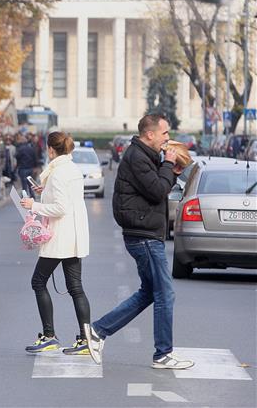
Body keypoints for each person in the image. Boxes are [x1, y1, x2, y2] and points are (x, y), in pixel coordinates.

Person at [84, 114, 195, 370]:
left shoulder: (145, 156)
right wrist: (167, 165)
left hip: (145, 233)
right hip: (144, 235)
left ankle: (98, 331)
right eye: (165, 133)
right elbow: (157, 191)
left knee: (149, 292)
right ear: (150, 134)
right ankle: (162, 354)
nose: (168, 138)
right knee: (165, 293)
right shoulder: (138, 157)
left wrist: (171, 168)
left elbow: (159, 186)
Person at [19, 132, 91, 355]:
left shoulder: (58, 173)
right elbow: (65, 199)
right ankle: (85, 339)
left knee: (38, 282)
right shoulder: (72, 169)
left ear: (51, 150)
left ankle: (49, 336)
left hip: (60, 236)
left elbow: (61, 208)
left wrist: (34, 205)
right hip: (74, 235)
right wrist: (45, 193)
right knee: (75, 288)